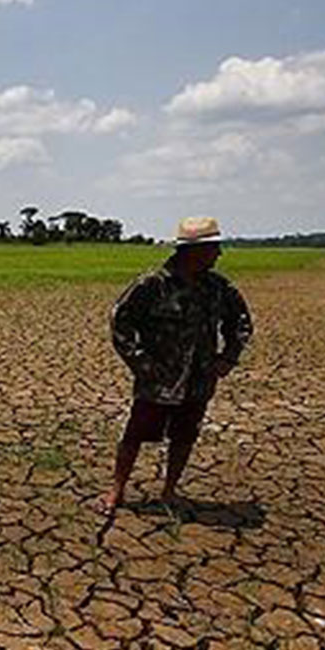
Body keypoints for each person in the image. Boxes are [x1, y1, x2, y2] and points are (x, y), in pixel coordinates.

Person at [100, 216, 253, 513]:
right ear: (193, 250)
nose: (219, 254)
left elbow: (242, 323)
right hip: (157, 381)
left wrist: (227, 358)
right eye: (213, 248)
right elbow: (120, 321)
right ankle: (116, 491)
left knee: (184, 436)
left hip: (199, 380)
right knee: (134, 435)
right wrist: (141, 362)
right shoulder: (152, 285)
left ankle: (169, 492)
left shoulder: (219, 287)